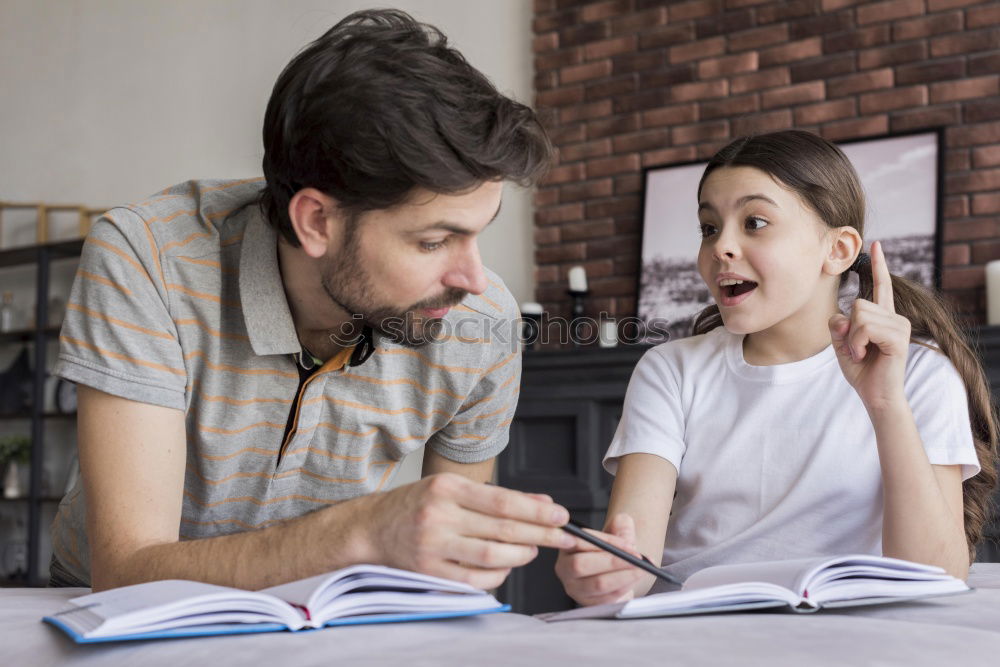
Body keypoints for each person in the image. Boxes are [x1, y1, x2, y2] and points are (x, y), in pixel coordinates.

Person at [49, 9, 577, 592]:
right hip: (114, 621)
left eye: (478, 232)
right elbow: (125, 573)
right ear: (317, 222)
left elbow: (458, 580)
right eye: (433, 240)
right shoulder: (147, 259)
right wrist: (361, 532)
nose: (474, 279)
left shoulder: (484, 322)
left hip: (324, 617)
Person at [555, 130, 998, 606]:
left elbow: (933, 575)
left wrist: (885, 402)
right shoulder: (670, 370)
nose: (721, 246)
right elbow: (633, 560)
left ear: (839, 250)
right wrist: (605, 572)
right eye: (709, 227)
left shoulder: (919, 376)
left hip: (852, 634)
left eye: (756, 222)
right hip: (693, 631)